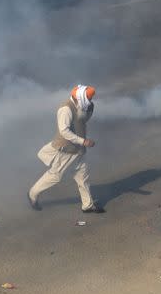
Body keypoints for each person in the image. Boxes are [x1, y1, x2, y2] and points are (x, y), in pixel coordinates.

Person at [28, 85, 105, 213]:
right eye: (88, 98)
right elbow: (64, 131)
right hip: (66, 150)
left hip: (79, 150)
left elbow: (83, 120)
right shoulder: (66, 109)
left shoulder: (86, 105)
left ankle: (88, 205)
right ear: (80, 97)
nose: (90, 101)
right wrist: (83, 141)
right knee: (55, 176)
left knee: (83, 177)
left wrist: (90, 109)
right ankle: (32, 194)